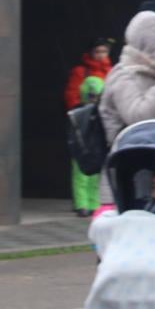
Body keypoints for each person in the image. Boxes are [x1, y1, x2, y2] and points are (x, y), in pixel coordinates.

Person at [98, 10, 155, 210]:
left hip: (150, 170)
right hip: (126, 175)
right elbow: (138, 118)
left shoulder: (153, 73)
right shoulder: (124, 76)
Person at [65, 39, 113, 217]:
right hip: (85, 120)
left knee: (98, 165)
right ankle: (81, 202)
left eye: (104, 52)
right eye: (98, 51)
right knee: (81, 165)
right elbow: (71, 96)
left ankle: (95, 202)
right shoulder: (81, 72)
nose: (101, 55)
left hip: (102, 121)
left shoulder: (111, 71)